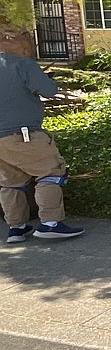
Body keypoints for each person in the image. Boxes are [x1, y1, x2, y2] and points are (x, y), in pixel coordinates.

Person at [0, 51, 84, 243]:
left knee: (10, 182)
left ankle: (16, 228)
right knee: (52, 172)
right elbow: (49, 90)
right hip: (23, 133)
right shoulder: (21, 63)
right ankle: (50, 224)